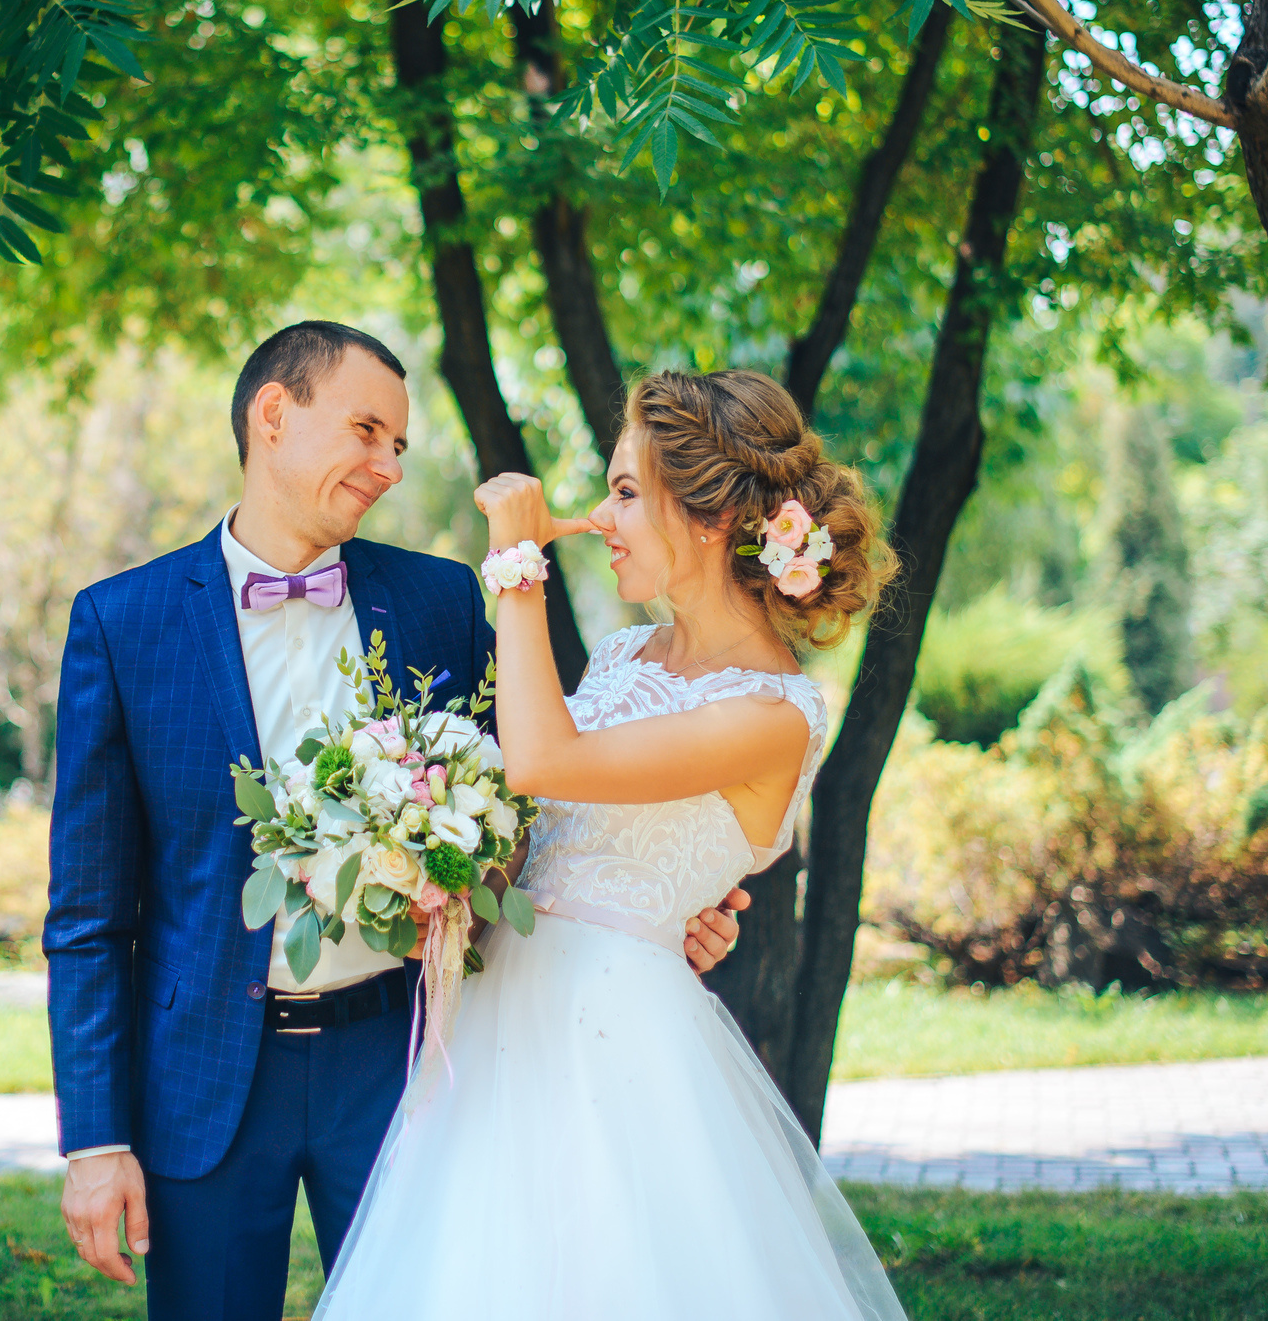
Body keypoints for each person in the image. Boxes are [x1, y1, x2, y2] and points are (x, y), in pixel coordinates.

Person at [46, 323, 749, 1321]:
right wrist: (95, 1138)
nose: (387, 466)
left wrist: (654, 907)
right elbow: (87, 911)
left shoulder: (438, 600)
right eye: (367, 430)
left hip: (406, 1066)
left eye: (400, 445)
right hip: (200, 1083)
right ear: (273, 414)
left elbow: (528, 810)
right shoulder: (122, 621)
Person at [314, 367, 910, 1320]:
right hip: (502, 1011)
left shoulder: (774, 714)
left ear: (711, 518)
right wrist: (438, 853)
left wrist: (514, 561)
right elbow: (562, 823)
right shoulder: (627, 654)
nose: (599, 514)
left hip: (611, 1042)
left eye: (628, 491)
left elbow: (543, 759)